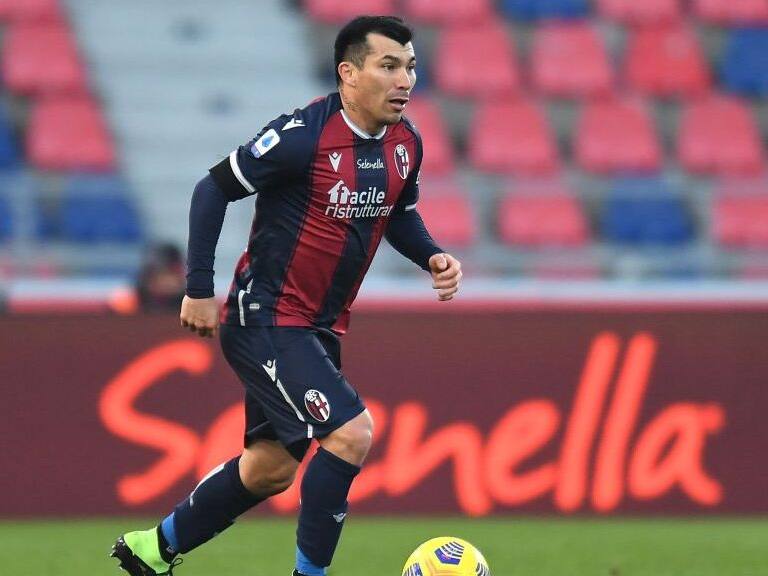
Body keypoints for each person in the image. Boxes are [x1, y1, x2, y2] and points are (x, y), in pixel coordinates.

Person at [110, 15, 462, 576]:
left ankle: (152, 548)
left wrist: (432, 256)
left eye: (411, 68)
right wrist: (198, 289)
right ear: (349, 73)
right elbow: (212, 189)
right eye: (389, 66)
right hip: (265, 316)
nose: (405, 81)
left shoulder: (405, 144)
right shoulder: (302, 136)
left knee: (270, 469)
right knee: (351, 434)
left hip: (317, 326)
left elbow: (397, 211)